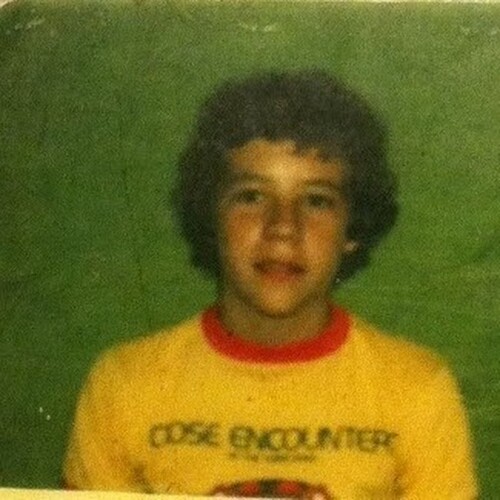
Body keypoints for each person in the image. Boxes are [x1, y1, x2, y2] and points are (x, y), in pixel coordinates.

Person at [63, 70, 477, 498]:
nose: (283, 229)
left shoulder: (416, 389)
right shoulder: (126, 384)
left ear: (352, 229)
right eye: (252, 196)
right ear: (210, 215)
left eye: (316, 201)